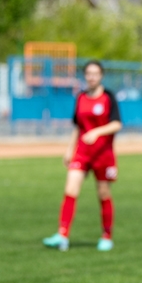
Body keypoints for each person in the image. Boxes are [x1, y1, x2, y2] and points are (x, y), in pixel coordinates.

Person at [42, 60, 123, 252]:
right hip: (82, 153)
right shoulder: (81, 97)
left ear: (101, 75)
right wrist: (69, 150)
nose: (91, 77)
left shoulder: (108, 97)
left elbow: (117, 124)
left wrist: (97, 132)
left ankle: (107, 236)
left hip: (103, 154)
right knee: (70, 189)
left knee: (103, 193)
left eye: (95, 73)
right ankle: (62, 235)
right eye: (88, 73)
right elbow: (77, 126)